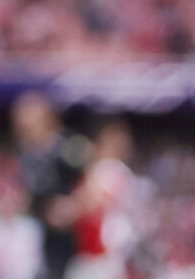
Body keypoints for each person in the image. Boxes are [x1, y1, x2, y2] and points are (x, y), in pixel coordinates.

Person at [11, 93, 83, 279]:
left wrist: (74, 205)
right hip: (38, 231)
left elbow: (92, 180)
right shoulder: (23, 152)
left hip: (72, 234)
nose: (23, 127)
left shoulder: (68, 146)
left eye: (29, 121)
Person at [64, 119, 136, 279]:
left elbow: (90, 202)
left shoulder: (115, 170)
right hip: (90, 252)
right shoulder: (98, 168)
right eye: (110, 141)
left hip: (108, 253)